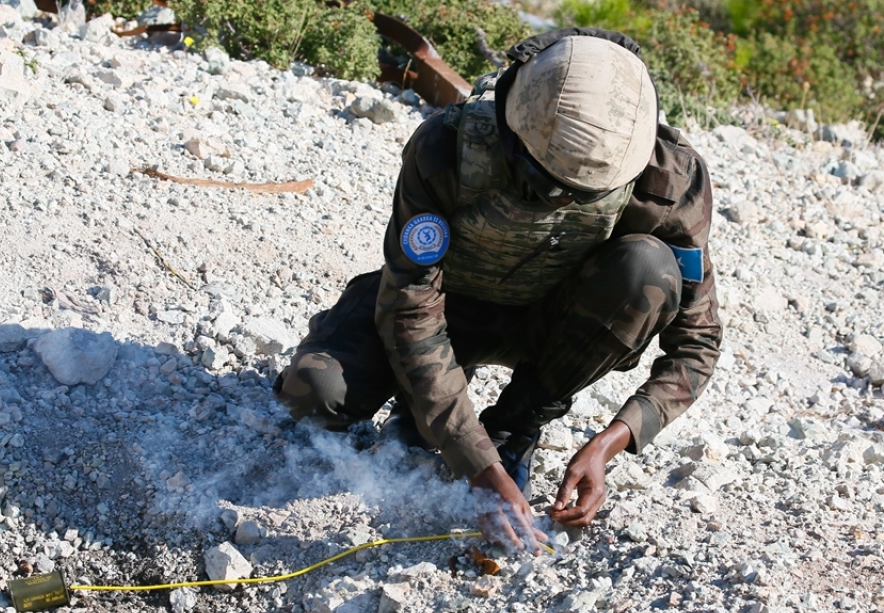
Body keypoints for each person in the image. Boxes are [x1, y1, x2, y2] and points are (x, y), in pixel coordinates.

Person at [274, 28, 722, 552]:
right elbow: (411, 311)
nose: (559, 204)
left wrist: (612, 441)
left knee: (649, 266)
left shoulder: (668, 178)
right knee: (314, 395)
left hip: (550, 324)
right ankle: (430, 404)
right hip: (445, 308)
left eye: (581, 195)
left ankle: (515, 425)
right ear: (515, 136)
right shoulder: (448, 148)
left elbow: (697, 344)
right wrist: (476, 461)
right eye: (548, 184)